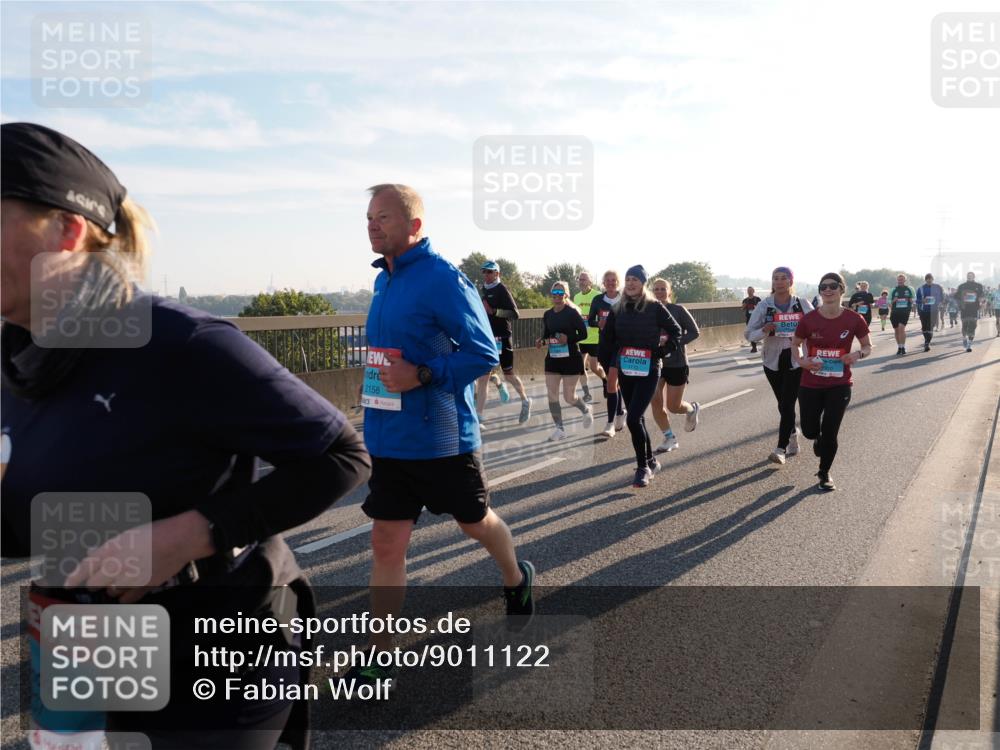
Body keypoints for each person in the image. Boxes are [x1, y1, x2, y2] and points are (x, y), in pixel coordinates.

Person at [0, 122, 372, 750]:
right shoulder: (15, 361)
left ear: (65, 230)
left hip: (220, 644)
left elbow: (342, 457)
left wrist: (188, 534)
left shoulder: (180, 342)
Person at [355, 184, 534, 688]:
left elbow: (483, 353)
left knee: (474, 523)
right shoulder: (382, 282)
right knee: (386, 542)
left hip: (443, 440)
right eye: (368, 217)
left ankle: (515, 577)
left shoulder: (442, 278)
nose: (372, 225)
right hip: (390, 440)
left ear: (413, 226)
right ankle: (381, 650)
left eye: (383, 217)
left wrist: (423, 375)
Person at [599, 265, 683, 488]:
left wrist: (662, 351)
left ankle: (643, 467)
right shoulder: (618, 309)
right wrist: (609, 365)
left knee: (633, 418)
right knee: (639, 419)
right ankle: (651, 461)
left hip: (649, 369)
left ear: (643, 283)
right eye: (628, 279)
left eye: (635, 279)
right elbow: (606, 339)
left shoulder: (654, 307)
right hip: (626, 368)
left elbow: (676, 331)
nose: (631, 283)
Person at [791, 272, 872, 491]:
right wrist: (802, 361)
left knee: (831, 432)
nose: (828, 290)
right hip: (810, 384)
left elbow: (867, 346)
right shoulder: (809, 319)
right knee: (809, 431)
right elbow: (796, 343)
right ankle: (816, 439)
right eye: (823, 286)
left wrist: (856, 355)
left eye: (833, 286)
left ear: (841, 289)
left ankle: (824, 472)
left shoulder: (854, 319)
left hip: (840, 384)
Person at [745, 267, 813, 465]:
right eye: (776, 278)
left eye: (784, 278)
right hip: (772, 360)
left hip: (795, 358)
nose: (780, 282)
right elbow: (749, 334)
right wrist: (764, 331)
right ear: (772, 282)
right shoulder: (764, 305)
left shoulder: (801, 303)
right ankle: (792, 433)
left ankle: (780, 448)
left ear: (791, 281)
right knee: (782, 403)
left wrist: (803, 336)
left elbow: (815, 327)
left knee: (787, 403)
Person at [475, 260, 532, 426]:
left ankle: (525, 400)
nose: (486, 275)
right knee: (483, 376)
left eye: (489, 272)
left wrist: (494, 311)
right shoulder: (484, 289)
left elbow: (515, 314)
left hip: (503, 337)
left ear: (497, 273)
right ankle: (478, 416)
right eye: (484, 272)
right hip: (488, 338)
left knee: (509, 374)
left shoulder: (502, 289)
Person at [536, 280, 593, 440]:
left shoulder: (572, 313)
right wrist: (541, 340)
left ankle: (585, 409)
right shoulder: (548, 314)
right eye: (555, 293)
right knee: (552, 394)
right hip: (553, 359)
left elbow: (583, 334)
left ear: (566, 295)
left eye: (560, 293)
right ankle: (560, 429)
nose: (557, 296)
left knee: (569, 397)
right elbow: (547, 333)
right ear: (551, 295)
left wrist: (568, 338)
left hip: (571, 359)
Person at [649, 278, 700, 453]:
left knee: (673, 406)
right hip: (655, 363)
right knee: (655, 401)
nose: (659, 292)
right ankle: (669, 437)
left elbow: (694, 332)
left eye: (663, 289)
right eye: (656, 289)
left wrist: (673, 342)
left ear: (669, 292)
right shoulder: (648, 312)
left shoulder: (678, 310)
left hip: (676, 363)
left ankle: (691, 409)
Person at [588, 270, 627, 437]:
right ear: (603, 283)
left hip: (621, 346)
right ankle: (620, 412)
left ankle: (610, 423)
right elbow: (590, 320)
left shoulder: (625, 299)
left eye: (614, 280)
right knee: (613, 383)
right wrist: (599, 323)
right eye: (608, 280)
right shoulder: (598, 300)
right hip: (604, 345)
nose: (611, 283)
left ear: (618, 282)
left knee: (611, 381)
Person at [573, 270, 604, 403]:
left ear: (590, 282)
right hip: (581, 338)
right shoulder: (576, 297)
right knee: (579, 366)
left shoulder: (597, 296)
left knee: (594, 367)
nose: (582, 282)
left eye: (584, 279)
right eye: (580, 279)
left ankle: (606, 380)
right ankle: (586, 393)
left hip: (595, 337)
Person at [955, 271, 986, 351]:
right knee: (965, 326)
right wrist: (959, 304)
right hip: (964, 309)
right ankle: (964, 338)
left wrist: (982, 302)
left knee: (973, 326)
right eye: (968, 275)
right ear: (966, 277)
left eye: (971, 276)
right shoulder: (962, 286)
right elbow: (956, 296)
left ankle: (969, 345)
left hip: (974, 309)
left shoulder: (978, 286)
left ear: (974, 277)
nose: (969, 277)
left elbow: (982, 296)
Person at [915, 273, 944, 352]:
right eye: (927, 278)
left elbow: (942, 297)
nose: (929, 280)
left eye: (930, 278)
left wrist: (941, 302)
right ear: (925, 280)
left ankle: (927, 342)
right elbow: (917, 300)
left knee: (931, 327)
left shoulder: (938, 287)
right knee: (924, 327)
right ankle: (926, 342)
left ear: (932, 279)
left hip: (934, 310)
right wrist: (922, 301)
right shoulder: (920, 288)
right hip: (923, 310)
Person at [889, 274, 915, 355]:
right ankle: (899, 347)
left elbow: (914, 299)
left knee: (901, 328)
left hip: (905, 311)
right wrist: (894, 300)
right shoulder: (893, 289)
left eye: (902, 279)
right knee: (896, 330)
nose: (900, 281)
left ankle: (903, 347)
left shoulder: (910, 289)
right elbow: (888, 302)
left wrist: (911, 300)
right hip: (895, 312)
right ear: (897, 280)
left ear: (905, 280)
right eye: (899, 279)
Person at [742, 287, 762, 353]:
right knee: (751, 332)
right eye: (748, 291)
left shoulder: (757, 299)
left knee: (758, 332)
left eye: (751, 290)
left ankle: (760, 343)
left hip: (757, 319)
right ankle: (754, 347)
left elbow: (762, 308)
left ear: (753, 291)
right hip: (749, 319)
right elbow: (742, 309)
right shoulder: (745, 300)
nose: (749, 292)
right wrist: (744, 306)